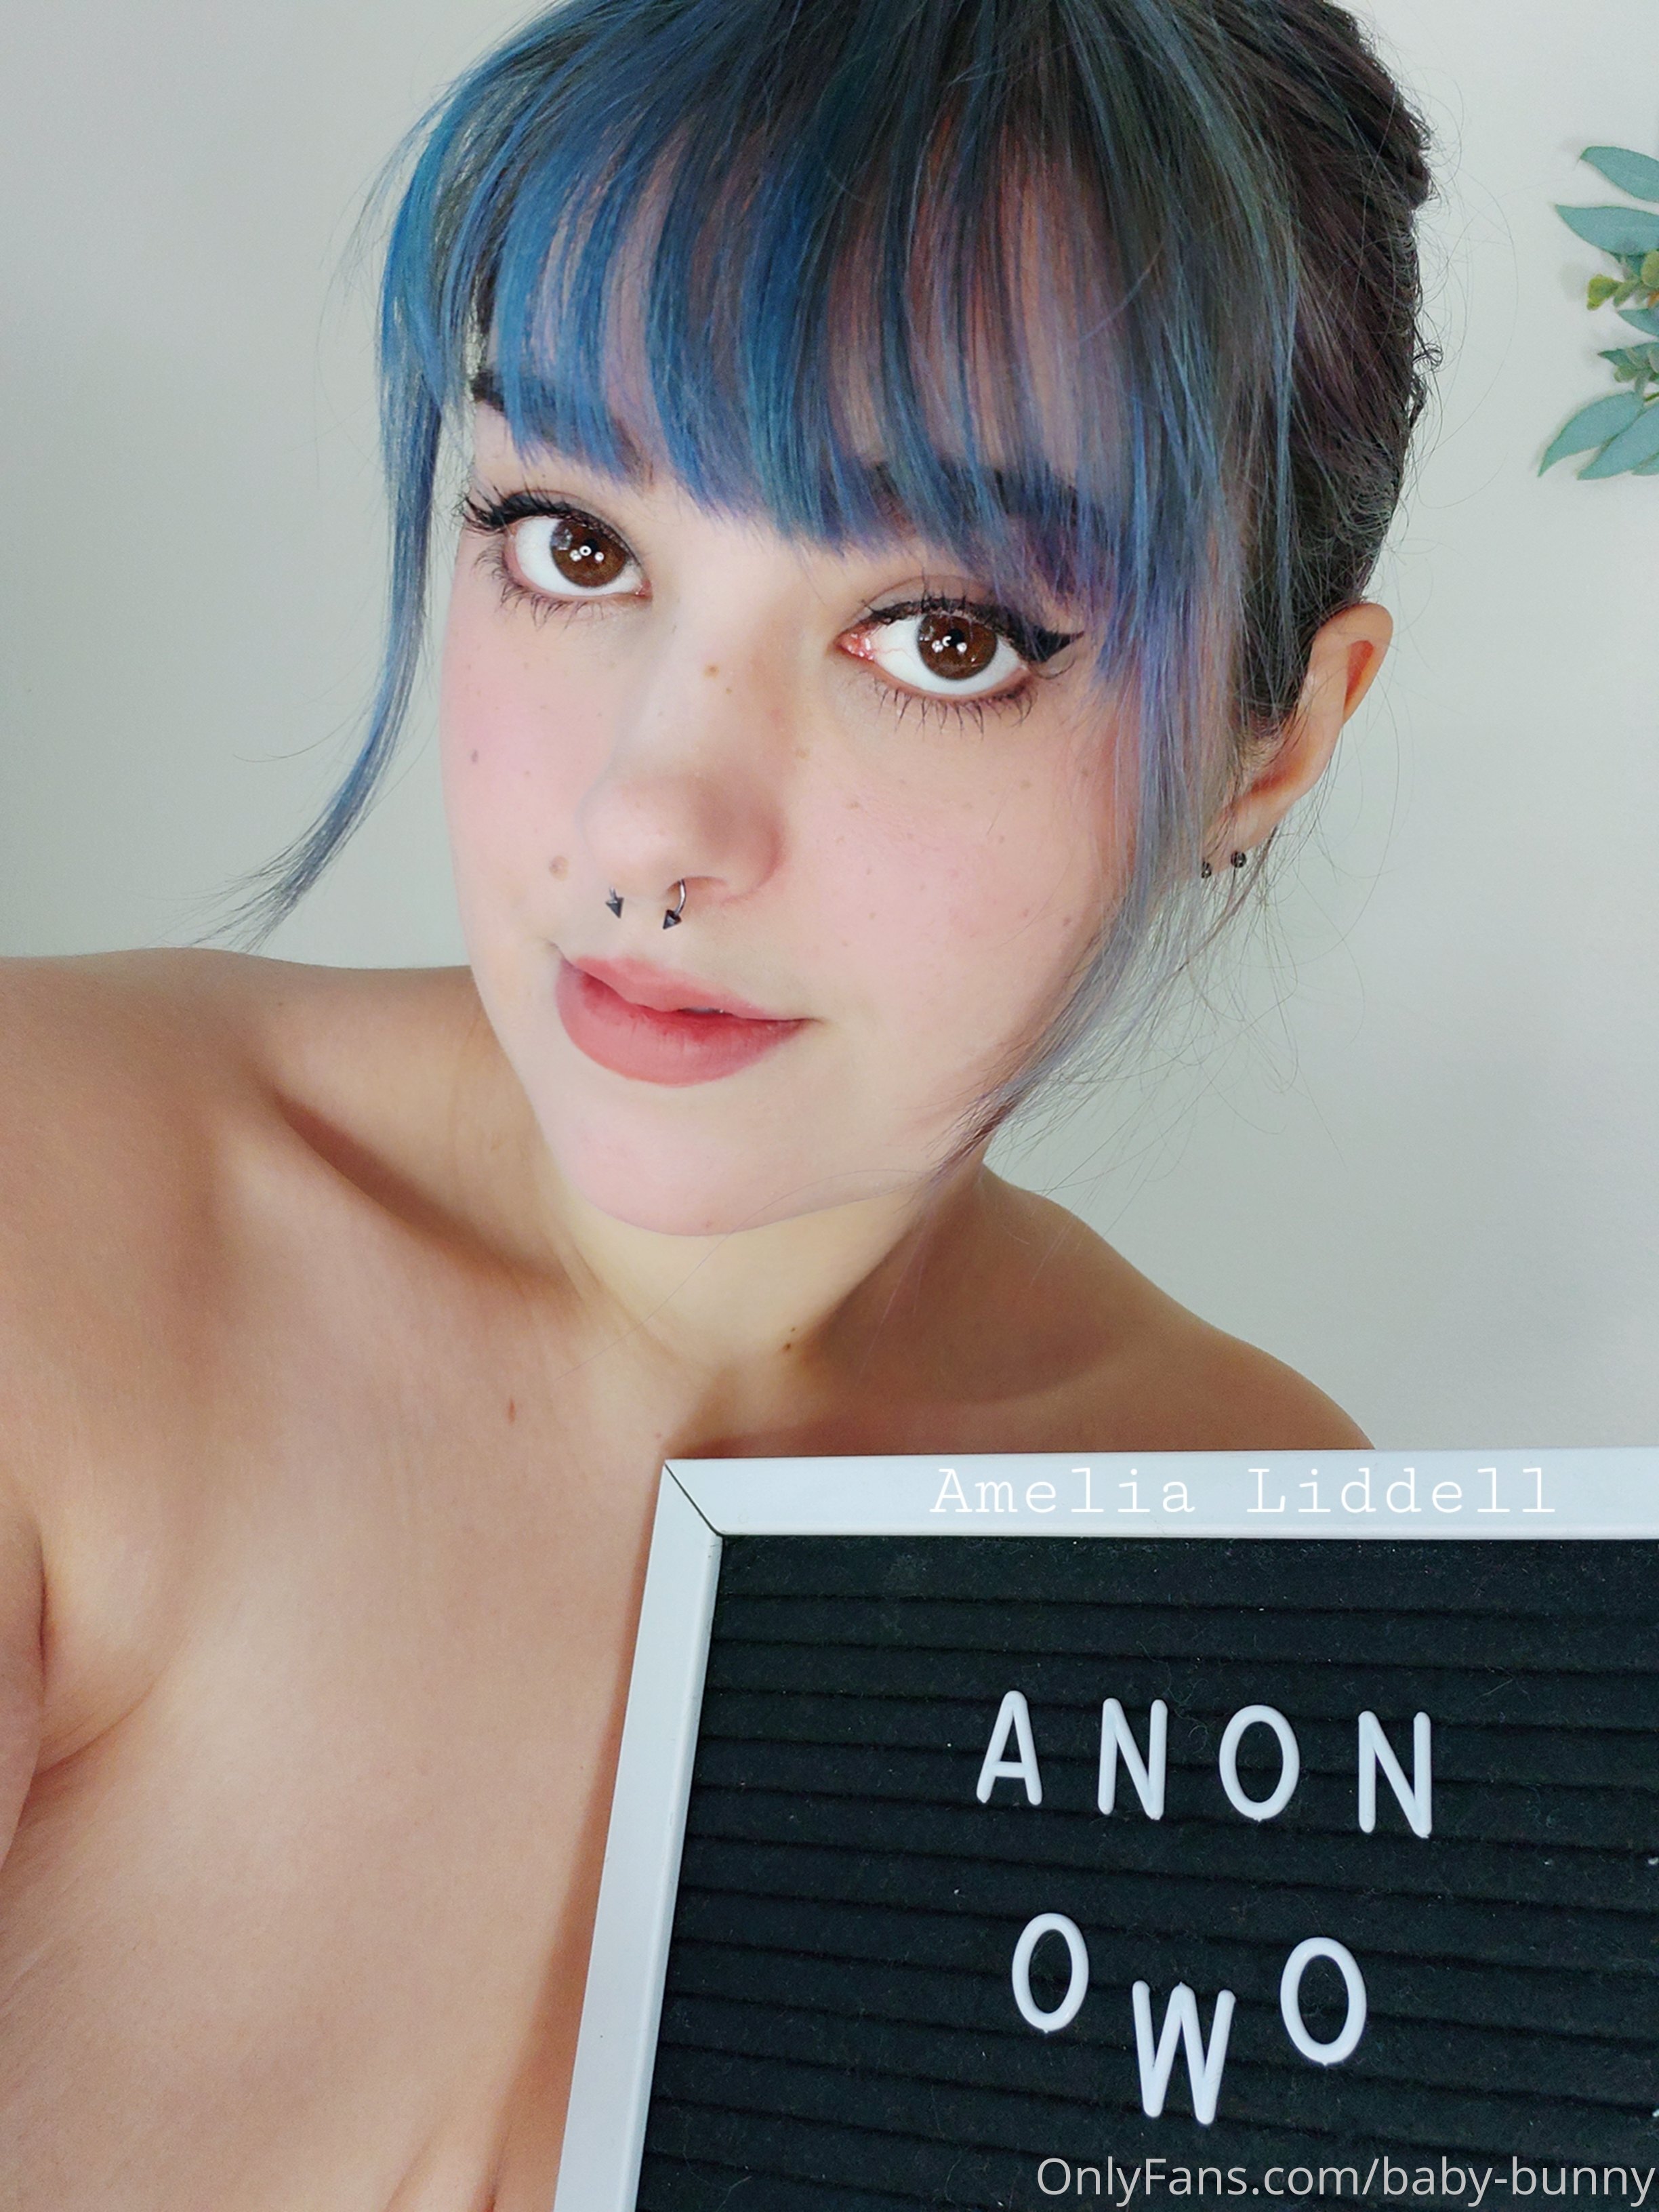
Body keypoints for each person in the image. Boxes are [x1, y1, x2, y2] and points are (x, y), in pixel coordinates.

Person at [0, 0, 1434, 2200]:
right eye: (573, 543)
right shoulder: (53, 1228)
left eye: (946, 635)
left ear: (1275, 744)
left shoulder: (1243, 1536)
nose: (650, 820)